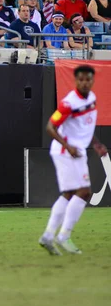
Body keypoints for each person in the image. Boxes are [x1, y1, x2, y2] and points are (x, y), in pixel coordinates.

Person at [39, 65, 107, 255]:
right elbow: (50, 127)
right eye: (81, 79)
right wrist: (68, 146)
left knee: (74, 193)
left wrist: (96, 143)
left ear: (93, 81)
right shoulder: (68, 103)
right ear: (76, 81)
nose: (85, 82)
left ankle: (50, 235)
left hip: (78, 150)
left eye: (88, 79)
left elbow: (84, 126)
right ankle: (62, 235)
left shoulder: (92, 99)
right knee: (82, 192)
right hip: (65, 150)